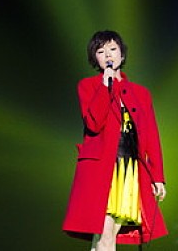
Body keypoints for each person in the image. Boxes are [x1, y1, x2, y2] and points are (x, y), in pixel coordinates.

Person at [63, 30, 168, 250]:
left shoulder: (141, 93)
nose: (108, 55)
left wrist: (157, 177)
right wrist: (105, 86)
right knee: (105, 235)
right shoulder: (88, 86)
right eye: (101, 51)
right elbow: (94, 123)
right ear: (95, 59)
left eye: (112, 49)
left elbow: (151, 136)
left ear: (122, 54)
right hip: (101, 169)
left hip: (128, 170)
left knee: (108, 236)